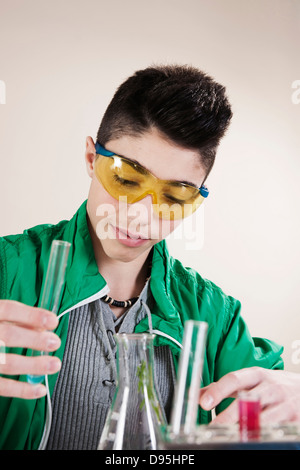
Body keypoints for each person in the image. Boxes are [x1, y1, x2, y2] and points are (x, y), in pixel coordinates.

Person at [0, 65, 299, 450]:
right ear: (92, 158)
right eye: (126, 178)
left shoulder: (214, 317)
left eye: (174, 196)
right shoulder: (8, 271)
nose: (142, 214)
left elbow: (268, 424)